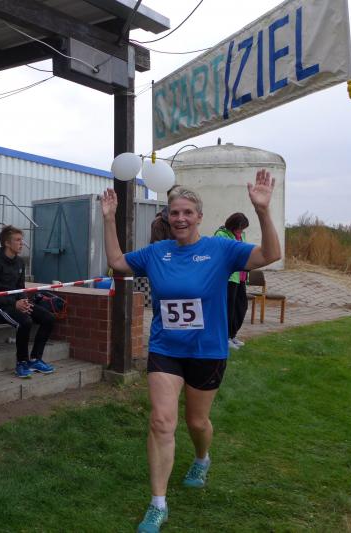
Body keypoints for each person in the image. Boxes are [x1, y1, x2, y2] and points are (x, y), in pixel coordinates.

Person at [101, 170, 281, 533]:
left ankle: (201, 457)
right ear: (167, 217)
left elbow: (270, 254)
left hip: (206, 350)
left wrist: (262, 210)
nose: (180, 218)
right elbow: (118, 263)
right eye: (174, 212)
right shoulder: (157, 253)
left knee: (196, 422)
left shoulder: (220, 249)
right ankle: (158, 504)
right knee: (161, 421)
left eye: (187, 212)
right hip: (166, 348)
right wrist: (108, 219)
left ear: (199, 216)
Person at [0, 225, 56, 378]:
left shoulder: (20, 262)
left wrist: (24, 301)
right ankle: (21, 363)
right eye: (17, 240)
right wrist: (14, 304)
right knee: (25, 322)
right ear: (7, 243)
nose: (22, 243)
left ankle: (35, 359)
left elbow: (20, 287)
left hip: (16, 303)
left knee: (48, 318)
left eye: (21, 240)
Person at [214, 213, 250, 350]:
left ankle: (232, 334)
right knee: (228, 308)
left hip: (241, 277)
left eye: (243, 228)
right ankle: (225, 337)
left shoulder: (242, 235)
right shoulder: (221, 235)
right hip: (228, 278)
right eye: (240, 227)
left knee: (241, 307)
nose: (241, 230)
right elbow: (220, 255)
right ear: (233, 225)